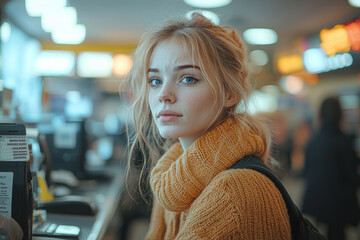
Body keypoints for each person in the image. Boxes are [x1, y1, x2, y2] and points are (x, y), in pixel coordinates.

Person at [119, 13, 291, 239]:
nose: (163, 95)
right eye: (155, 81)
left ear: (229, 93)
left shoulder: (236, 191)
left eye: (188, 78)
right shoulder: (170, 178)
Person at [302, 97, 360, 240]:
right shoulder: (343, 141)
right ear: (340, 114)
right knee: (338, 233)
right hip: (339, 203)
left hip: (318, 200)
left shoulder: (313, 141)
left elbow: (306, 172)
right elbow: (351, 175)